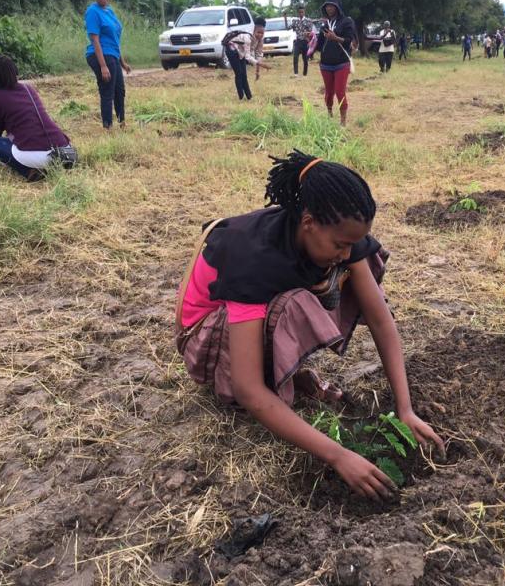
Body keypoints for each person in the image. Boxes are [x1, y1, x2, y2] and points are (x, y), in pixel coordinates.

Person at [174, 150, 446, 501]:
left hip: (250, 317)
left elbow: (380, 319)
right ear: (308, 222)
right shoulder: (255, 258)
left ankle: (285, 374)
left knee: (354, 269)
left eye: (352, 243)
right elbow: (248, 390)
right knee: (294, 306)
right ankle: (279, 381)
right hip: (205, 338)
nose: (346, 254)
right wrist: (338, 455)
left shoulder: (340, 232)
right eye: (339, 244)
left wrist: (404, 408)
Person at [0, 55, 76, 181]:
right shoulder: (28, 89)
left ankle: (30, 172)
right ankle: (50, 167)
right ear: (14, 71)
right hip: (65, 151)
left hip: (37, 156)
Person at [85, 0, 131, 130]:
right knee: (108, 91)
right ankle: (108, 128)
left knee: (120, 91)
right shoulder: (93, 11)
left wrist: (122, 62)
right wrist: (103, 66)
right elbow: (95, 40)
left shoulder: (109, 11)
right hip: (100, 55)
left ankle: (122, 124)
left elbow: (115, 39)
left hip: (112, 55)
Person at [316, 0, 356, 126]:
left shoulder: (346, 21)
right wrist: (310, 39)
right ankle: (329, 113)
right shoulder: (325, 24)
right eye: (327, 6)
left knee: (340, 91)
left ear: (337, 7)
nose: (329, 8)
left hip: (341, 63)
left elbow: (349, 40)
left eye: (331, 6)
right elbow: (320, 44)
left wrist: (336, 38)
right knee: (328, 92)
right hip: (325, 64)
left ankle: (343, 121)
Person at [225, 18, 271, 101]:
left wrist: (257, 71)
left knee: (244, 75)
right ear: (254, 30)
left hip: (241, 52)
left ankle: (249, 97)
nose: (260, 35)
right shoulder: (247, 37)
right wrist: (261, 65)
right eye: (258, 32)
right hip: (231, 50)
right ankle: (241, 97)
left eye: (262, 33)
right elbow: (248, 56)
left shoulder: (260, 40)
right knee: (239, 73)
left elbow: (258, 55)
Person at [287, 6, 313, 77]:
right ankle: (296, 73)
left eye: (302, 12)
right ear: (298, 13)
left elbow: (310, 31)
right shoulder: (295, 21)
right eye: (300, 12)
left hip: (305, 41)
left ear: (304, 12)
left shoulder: (308, 21)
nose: (301, 13)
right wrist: (285, 19)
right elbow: (288, 28)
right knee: (295, 57)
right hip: (298, 41)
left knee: (305, 59)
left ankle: (305, 74)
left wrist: (307, 33)